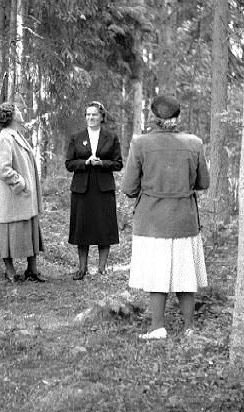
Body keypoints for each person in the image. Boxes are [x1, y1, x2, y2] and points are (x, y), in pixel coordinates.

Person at [121, 93, 210, 340]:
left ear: (153, 117)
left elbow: (129, 188)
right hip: (184, 218)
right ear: (177, 117)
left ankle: (157, 326)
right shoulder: (194, 143)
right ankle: (189, 328)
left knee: (156, 272)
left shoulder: (140, 144)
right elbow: (203, 183)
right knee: (186, 272)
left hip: (152, 220)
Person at [65, 101, 123, 280]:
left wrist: (102, 163)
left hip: (103, 188)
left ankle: (101, 269)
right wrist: (85, 162)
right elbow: (69, 164)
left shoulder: (111, 137)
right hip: (82, 189)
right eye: (88, 114)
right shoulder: (76, 137)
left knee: (104, 228)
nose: (91, 117)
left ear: (101, 117)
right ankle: (82, 268)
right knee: (82, 228)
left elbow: (118, 163)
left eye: (94, 114)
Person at [0, 102, 46, 283]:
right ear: (12, 115)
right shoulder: (5, 138)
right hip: (12, 198)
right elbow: (3, 169)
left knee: (30, 228)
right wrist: (20, 183)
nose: (20, 111)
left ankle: (32, 270)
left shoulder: (16, 135)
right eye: (17, 110)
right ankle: (10, 272)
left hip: (23, 198)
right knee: (8, 233)